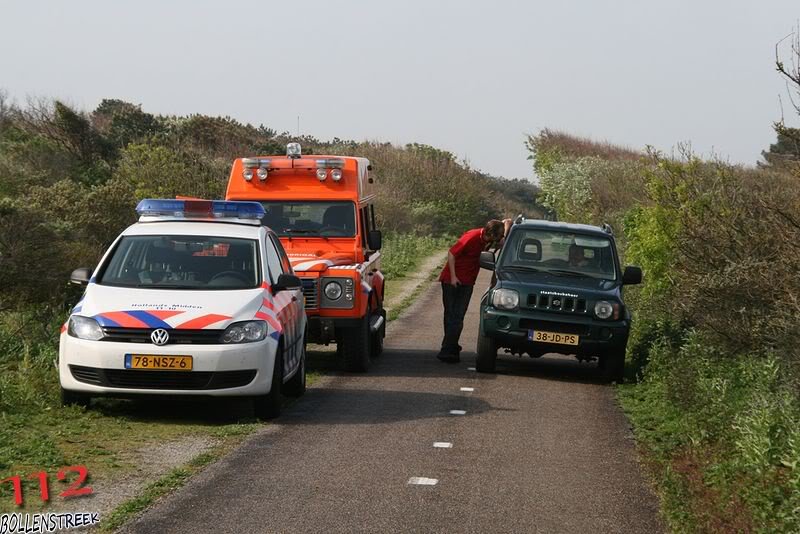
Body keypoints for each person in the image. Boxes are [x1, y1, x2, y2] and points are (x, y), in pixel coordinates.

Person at [437, 218, 511, 363]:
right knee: (453, 315)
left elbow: (505, 240)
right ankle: (448, 349)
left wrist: (506, 226)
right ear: (492, 234)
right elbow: (452, 253)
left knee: (457, 316)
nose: (501, 238)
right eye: (500, 235)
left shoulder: (487, 240)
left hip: (468, 281)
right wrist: (453, 277)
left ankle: (450, 347)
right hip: (452, 281)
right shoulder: (472, 236)